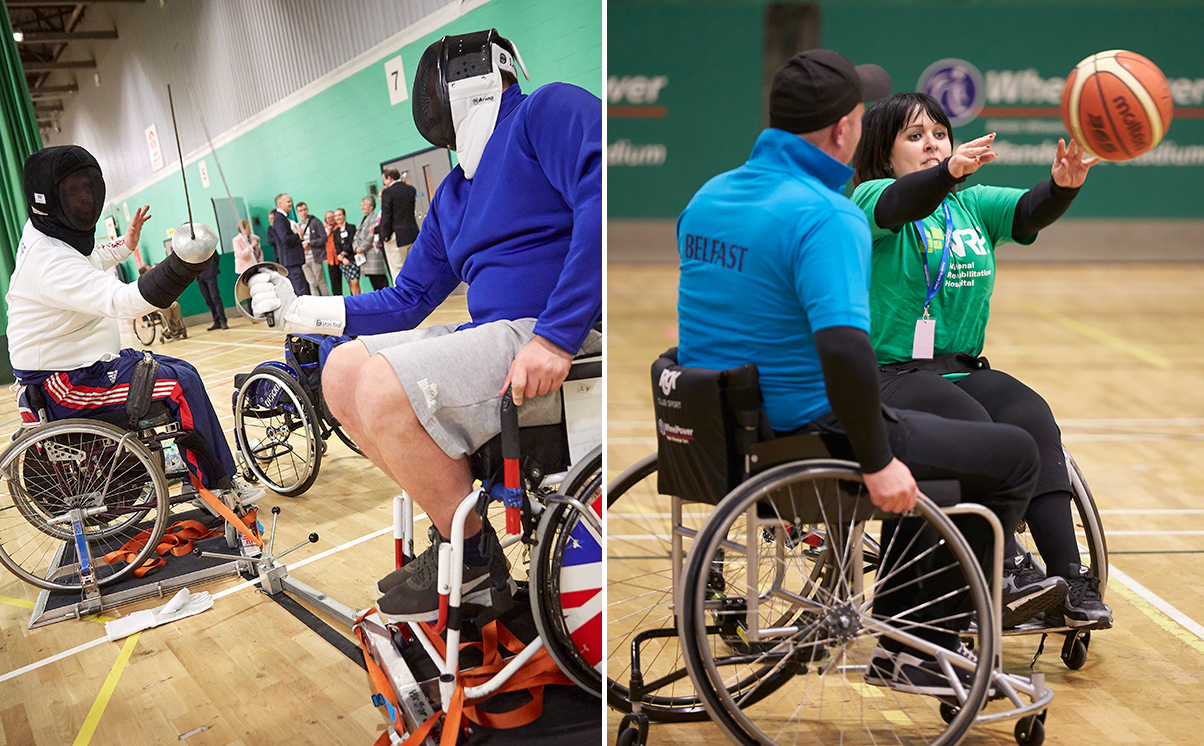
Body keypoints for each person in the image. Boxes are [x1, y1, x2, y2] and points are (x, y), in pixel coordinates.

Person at [674, 50, 1050, 695]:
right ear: (847, 130)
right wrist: (877, 462)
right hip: (808, 435)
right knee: (1011, 453)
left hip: (715, 432)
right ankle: (922, 643)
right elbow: (848, 353)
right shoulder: (829, 215)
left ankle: (909, 625)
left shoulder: (709, 197)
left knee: (944, 440)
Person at [247, 29, 601, 625]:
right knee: (341, 370)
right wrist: (299, 308)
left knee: (387, 387)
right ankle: (463, 538)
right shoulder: (455, 193)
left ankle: (470, 562)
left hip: (562, 334)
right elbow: (409, 298)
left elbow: (606, 195)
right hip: (501, 337)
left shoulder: (547, 110)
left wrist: (558, 335)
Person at [850, 91, 1111, 630]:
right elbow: (904, 202)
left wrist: (1063, 185)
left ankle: (1069, 578)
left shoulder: (971, 206)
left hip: (959, 366)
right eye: (915, 136)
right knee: (973, 426)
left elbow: (1027, 210)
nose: (931, 144)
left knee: (1030, 414)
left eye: (939, 134)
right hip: (888, 374)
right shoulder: (869, 199)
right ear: (884, 151)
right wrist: (945, 171)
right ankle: (1008, 563)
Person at [7, 145, 261, 508]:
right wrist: (182, 266)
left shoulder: (47, 236)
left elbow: (88, 256)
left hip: (89, 366)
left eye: (88, 187)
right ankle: (215, 488)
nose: (86, 197)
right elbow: (122, 301)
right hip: (62, 385)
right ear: (48, 198)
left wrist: (124, 246)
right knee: (179, 386)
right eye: (74, 191)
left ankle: (214, 472)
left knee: (182, 369)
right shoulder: (48, 262)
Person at [379, 167, 420, 280]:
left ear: (389, 178)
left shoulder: (387, 192)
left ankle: (402, 297)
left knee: (397, 269)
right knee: (414, 267)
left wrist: (385, 236)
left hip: (396, 236)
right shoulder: (410, 189)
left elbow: (386, 217)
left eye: (384, 180)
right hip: (412, 233)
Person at [269, 193, 308, 297]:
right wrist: (298, 236)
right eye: (288, 202)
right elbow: (285, 238)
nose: (291, 204)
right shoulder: (279, 219)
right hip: (291, 261)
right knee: (300, 290)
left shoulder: (284, 218)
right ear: (280, 203)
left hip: (294, 260)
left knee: (301, 288)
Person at [137, 263, 188, 341]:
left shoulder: (156, 279)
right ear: (145, 273)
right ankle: (168, 330)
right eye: (149, 269)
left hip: (165, 301)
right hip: (154, 305)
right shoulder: (142, 284)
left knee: (175, 305)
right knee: (165, 309)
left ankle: (177, 328)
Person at [354, 195, 389, 291]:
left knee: (381, 282)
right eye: (361, 204)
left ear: (371, 206)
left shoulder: (375, 217)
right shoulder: (362, 220)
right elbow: (356, 235)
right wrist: (356, 247)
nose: (362, 207)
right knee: (374, 284)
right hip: (365, 258)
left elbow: (371, 235)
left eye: (364, 204)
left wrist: (362, 247)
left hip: (373, 255)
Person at [295, 201, 329, 296]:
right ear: (297, 213)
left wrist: (309, 244)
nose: (303, 212)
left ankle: (328, 302)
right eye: (300, 210)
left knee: (320, 281)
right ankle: (316, 306)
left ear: (307, 210)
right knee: (312, 283)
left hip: (315, 256)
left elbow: (323, 238)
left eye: (305, 209)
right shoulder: (298, 225)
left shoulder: (315, 221)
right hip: (304, 258)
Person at [193, 237, 227, 331]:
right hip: (200, 276)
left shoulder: (206, 244)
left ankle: (223, 320)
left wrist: (213, 267)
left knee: (215, 297)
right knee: (208, 299)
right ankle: (216, 321)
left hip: (210, 273)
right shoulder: (190, 249)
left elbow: (216, 257)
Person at [331, 207, 361, 295]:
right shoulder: (335, 232)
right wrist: (341, 257)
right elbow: (337, 247)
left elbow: (351, 242)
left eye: (339, 215)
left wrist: (343, 254)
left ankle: (359, 302)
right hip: (343, 262)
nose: (338, 217)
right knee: (350, 284)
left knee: (355, 282)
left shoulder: (351, 227)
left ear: (344, 216)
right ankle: (355, 303)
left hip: (352, 259)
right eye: (336, 216)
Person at [322, 209, 342, 297]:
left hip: (341, 258)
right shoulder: (324, 230)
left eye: (332, 217)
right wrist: (328, 231)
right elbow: (322, 241)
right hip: (331, 260)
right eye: (328, 218)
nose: (330, 219)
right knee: (335, 284)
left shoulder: (340, 227)